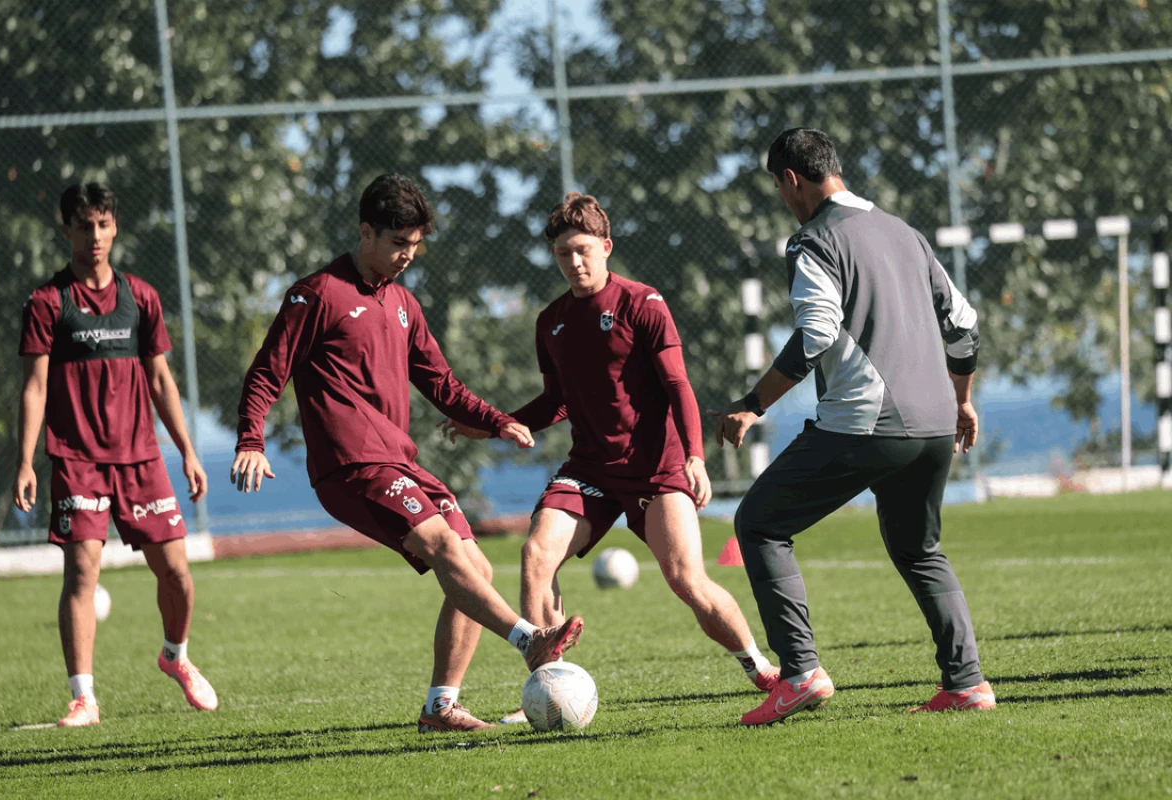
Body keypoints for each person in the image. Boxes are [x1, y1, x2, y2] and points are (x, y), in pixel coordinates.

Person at [230, 174, 584, 734]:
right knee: (445, 545)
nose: (406, 258)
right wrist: (251, 439)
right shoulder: (316, 294)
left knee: (476, 565)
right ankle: (530, 641)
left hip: (398, 460)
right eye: (398, 244)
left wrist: (499, 421)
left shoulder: (402, 304)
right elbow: (265, 374)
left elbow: (442, 384)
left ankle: (439, 708)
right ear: (366, 232)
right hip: (352, 465)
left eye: (415, 247)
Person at [444, 192, 780, 724]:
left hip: (656, 467)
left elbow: (677, 385)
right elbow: (556, 401)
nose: (573, 263)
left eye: (581, 250)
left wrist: (694, 455)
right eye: (561, 254)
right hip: (591, 469)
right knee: (535, 557)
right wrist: (494, 424)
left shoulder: (643, 304)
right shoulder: (550, 321)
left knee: (685, 579)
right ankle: (545, 687)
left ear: (605, 246)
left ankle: (762, 670)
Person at [710, 128, 995, 725]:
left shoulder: (813, 241)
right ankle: (967, 683)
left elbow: (816, 333)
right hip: (936, 425)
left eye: (780, 189)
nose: (784, 201)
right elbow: (964, 327)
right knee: (921, 549)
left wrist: (752, 405)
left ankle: (800, 672)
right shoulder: (904, 232)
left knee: (759, 523)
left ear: (792, 179)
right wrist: (961, 401)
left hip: (867, 423)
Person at [14, 183, 217, 727]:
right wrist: (27, 460)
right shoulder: (47, 302)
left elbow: (161, 380)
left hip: (141, 459)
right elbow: (34, 387)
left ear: (116, 227)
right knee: (81, 571)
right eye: (84, 226)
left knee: (176, 574)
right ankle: (84, 698)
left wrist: (189, 452)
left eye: (103, 224)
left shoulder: (141, 297)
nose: (95, 235)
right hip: (77, 458)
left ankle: (175, 657)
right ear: (67, 231)